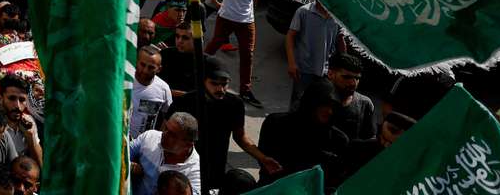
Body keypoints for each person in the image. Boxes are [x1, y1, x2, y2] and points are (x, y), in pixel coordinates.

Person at [167, 56, 280, 193]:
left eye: (224, 84)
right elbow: (164, 134)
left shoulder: (234, 104)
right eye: (214, 83)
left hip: (215, 169)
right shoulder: (184, 103)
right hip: (184, 167)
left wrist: (262, 158)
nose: (220, 89)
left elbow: (240, 136)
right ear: (203, 82)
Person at [203, 0, 266, 107]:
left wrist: (253, 13)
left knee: (248, 55)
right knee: (213, 46)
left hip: (247, 21)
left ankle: (245, 91)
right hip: (227, 17)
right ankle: (197, 73)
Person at [256, 79, 349, 187]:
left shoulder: (338, 140)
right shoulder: (276, 123)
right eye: (325, 105)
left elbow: (335, 181)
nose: (329, 111)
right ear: (311, 103)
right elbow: (267, 163)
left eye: (334, 107)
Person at [286, 0, 342, 108]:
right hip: (304, 69)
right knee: (298, 104)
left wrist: (342, 67)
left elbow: (340, 40)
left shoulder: (337, 16)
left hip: (326, 72)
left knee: (319, 105)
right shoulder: (303, 12)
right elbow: (290, 36)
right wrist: (292, 63)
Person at [128, 112, 201, 195]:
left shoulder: (195, 174)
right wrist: (131, 166)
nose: (164, 134)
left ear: (187, 145)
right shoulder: (149, 137)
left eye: (172, 135)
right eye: (166, 128)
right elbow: (120, 156)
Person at [327, 53, 376, 142]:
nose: (353, 83)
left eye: (357, 78)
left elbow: (369, 139)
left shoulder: (365, 103)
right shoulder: (315, 98)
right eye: (347, 77)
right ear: (330, 74)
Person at [129, 45, 172, 139]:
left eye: (151, 67)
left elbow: (168, 116)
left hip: (143, 145)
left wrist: (158, 138)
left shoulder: (163, 89)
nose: (145, 70)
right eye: (143, 65)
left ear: (159, 69)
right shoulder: (125, 80)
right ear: (136, 62)